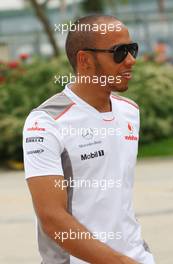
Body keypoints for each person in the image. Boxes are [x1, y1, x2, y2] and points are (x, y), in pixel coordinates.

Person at [23, 15, 155, 264]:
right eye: (119, 52)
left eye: (132, 49)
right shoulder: (45, 123)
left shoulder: (130, 111)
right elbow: (52, 218)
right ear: (84, 60)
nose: (131, 60)